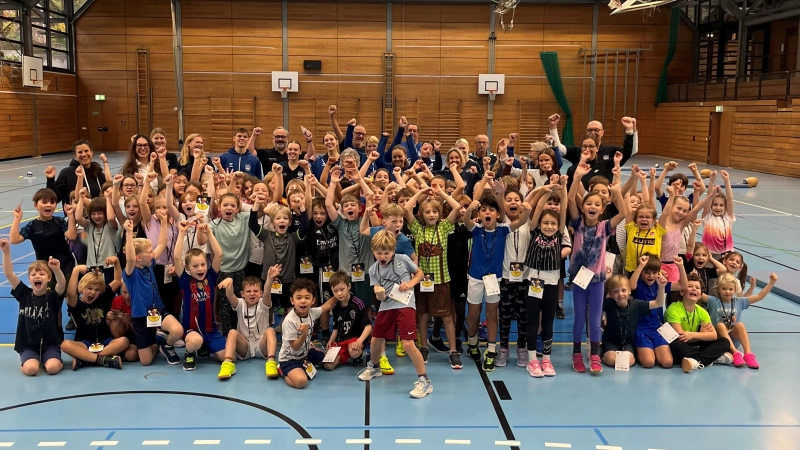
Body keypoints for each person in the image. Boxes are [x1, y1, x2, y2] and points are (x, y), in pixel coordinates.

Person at [567, 164, 626, 374]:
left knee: (594, 319)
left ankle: (594, 354)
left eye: (597, 204)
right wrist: (577, 178)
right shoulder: (578, 222)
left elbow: (624, 212)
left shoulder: (606, 227)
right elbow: (571, 198)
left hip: (597, 280)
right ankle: (576, 354)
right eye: (588, 203)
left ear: (602, 208)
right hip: (578, 279)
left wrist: (617, 191)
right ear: (583, 207)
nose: (592, 206)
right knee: (579, 317)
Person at [359, 231, 432, 399]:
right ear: (373, 251)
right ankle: (375, 367)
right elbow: (381, 297)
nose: (383, 256)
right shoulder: (373, 270)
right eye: (379, 253)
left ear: (393, 250)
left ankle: (424, 381)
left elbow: (419, 274)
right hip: (386, 305)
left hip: (405, 304)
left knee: (407, 344)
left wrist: (411, 283)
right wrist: (379, 293)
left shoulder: (403, 260)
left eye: (386, 252)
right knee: (376, 340)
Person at [463, 192, 530, 372]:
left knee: (492, 314)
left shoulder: (503, 229)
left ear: (498, 214)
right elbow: (466, 221)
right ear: (480, 214)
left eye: (491, 210)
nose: (487, 213)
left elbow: (522, 222)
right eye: (483, 210)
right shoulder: (476, 230)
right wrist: (470, 209)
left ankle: (491, 350)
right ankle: (472, 342)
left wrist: (527, 212)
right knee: (474, 313)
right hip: (475, 278)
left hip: (494, 279)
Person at [403, 185, 464, 369]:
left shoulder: (445, 227)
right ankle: (423, 347)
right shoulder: (417, 229)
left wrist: (441, 194)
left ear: (439, 214)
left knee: (446, 317)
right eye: (427, 212)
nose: (431, 215)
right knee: (422, 315)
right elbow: (406, 209)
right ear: (421, 214)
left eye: (434, 211)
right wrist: (421, 193)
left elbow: (456, 208)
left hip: (441, 280)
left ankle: (453, 351)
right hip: (422, 281)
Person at [174, 219, 237, 378]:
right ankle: (191, 353)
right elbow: (176, 258)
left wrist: (209, 232)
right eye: (195, 266)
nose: (200, 268)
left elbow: (219, 254)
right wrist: (181, 233)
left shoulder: (211, 276)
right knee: (195, 341)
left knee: (230, 358)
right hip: (192, 330)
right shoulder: (185, 281)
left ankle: (205, 347)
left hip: (211, 331)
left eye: (202, 264)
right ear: (187, 268)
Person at [523, 179, 570, 377]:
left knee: (548, 322)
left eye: (552, 223)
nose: (549, 226)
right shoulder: (533, 230)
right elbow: (539, 207)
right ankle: (532, 359)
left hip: (551, 283)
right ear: (539, 223)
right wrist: (545, 191)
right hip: (533, 281)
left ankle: (547, 360)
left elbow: (565, 208)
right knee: (533, 321)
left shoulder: (559, 233)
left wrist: (564, 188)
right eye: (546, 223)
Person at [121, 219, 184, 366]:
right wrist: (129, 234)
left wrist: (163, 223)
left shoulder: (148, 264)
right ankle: (157, 342)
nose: (153, 254)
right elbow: (130, 258)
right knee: (145, 361)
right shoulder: (131, 273)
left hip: (157, 310)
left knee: (177, 331)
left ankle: (165, 343)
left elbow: (162, 244)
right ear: (139, 257)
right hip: (141, 316)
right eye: (150, 252)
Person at [1, 240, 65, 376]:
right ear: (29, 279)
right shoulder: (24, 295)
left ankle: (51, 360)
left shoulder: (53, 296)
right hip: (28, 344)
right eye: (33, 274)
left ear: (48, 279)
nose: (37, 276)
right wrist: (6, 252)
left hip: (50, 344)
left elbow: (61, 285)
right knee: (31, 370)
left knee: (53, 368)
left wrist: (57, 269)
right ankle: (29, 361)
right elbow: (9, 274)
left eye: (42, 274)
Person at [704, 272, 777, 369]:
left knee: (739, 325)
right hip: (719, 340)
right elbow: (697, 293)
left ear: (734, 290)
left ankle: (748, 354)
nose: (727, 292)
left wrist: (771, 282)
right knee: (721, 325)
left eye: (730, 289)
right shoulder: (713, 301)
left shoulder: (739, 301)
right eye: (724, 289)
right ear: (718, 289)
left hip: (733, 339)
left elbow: (759, 296)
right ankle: (735, 353)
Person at [62, 261, 125, 370]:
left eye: (96, 290)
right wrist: (75, 270)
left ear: (101, 291)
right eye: (89, 288)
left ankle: (86, 359)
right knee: (65, 345)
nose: (92, 292)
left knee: (124, 341)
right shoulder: (76, 304)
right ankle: (102, 359)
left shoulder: (103, 298)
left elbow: (118, 280)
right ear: (82, 288)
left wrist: (116, 262)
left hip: (105, 341)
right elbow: (71, 293)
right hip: (84, 342)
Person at [276, 278, 338, 389]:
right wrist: (304, 334)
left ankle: (309, 360)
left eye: (307, 298)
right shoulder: (290, 321)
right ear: (292, 301)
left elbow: (327, 306)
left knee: (332, 362)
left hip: (306, 353)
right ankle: (282, 370)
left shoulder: (312, 312)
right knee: (301, 382)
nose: (303, 301)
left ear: (313, 300)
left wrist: (339, 294)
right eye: (298, 298)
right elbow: (294, 347)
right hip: (290, 358)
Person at [629, 254, 686, 369]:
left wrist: (680, 266)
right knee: (649, 362)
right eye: (647, 272)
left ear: (658, 272)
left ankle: (650, 349)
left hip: (657, 328)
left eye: (654, 272)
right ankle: (638, 350)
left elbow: (683, 285)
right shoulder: (638, 284)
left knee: (667, 362)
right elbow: (631, 286)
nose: (651, 276)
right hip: (641, 329)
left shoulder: (660, 284)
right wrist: (641, 266)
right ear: (641, 273)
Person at [665, 273, 730, 373]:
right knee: (677, 346)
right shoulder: (673, 309)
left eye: (697, 288)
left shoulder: (702, 311)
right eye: (689, 286)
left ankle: (696, 361)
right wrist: (702, 334)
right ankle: (710, 357)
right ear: (682, 292)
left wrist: (693, 335)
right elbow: (680, 336)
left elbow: (713, 335)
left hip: (694, 342)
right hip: (681, 343)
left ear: (700, 294)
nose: (694, 289)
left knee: (725, 342)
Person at [220, 271, 280, 378]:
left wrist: (269, 278)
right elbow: (230, 296)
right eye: (248, 291)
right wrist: (230, 282)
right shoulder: (239, 304)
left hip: (261, 346)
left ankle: (271, 362)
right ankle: (228, 363)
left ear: (260, 293)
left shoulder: (264, 304)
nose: (252, 294)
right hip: (245, 346)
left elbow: (267, 292)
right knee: (232, 332)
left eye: (256, 291)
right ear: (242, 294)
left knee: (270, 330)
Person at [602, 273, 667, 368]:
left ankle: (633, 356)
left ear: (629, 291)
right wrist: (604, 279)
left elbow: (658, 303)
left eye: (623, 290)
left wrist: (661, 287)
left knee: (627, 362)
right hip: (610, 342)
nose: (620, 294)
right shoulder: (608, 303)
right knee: (612, 361)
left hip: (628, 342)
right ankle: (603, 354)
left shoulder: (636, 304)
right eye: (616, 291)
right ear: (611, 295)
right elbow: (593, 299)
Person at [324, 271, 372, 370]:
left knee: (354, 351)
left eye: (342, 289)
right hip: (340, 341)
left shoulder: (358, 303)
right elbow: (336, 327)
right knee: (328, 366)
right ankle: (341, 355)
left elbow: (368, 326)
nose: (339, 293)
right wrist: (331, 339)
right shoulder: (335, 307)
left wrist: (359, 341)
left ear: (349, 286)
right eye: (335, 291)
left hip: (354, 339)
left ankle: (357, 356)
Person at [45, 140, 111, 208]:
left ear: (91, 152)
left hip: (97, 215)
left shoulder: (97, 172)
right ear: (75, 155)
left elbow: (108, 189)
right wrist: (50, 180)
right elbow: (55, 198)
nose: (84, 154)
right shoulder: (67, 173)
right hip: (74, 216)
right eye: (80, 152)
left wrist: (105, 162)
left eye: (86, 151)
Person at [701, 170, 736, 259]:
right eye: (715, 204)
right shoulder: (707, 217)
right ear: (711, 205)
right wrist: (711, 181)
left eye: (721, 205)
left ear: (725, 206)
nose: (718, 208)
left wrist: (727, 181)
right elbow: (709, 197)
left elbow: (730, 199)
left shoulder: (728, 218)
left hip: (726, 254)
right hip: (709, 254)